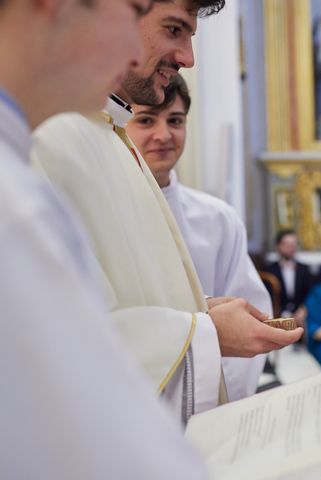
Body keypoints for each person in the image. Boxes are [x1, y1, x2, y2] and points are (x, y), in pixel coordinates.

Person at [32, 0, 303, 424]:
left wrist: (199, 315)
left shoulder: (108, 136)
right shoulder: (53, 137)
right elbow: (50, 340)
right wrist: (206, 334)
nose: (188, 58)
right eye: (174, 30)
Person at [0, 0, 208, 477]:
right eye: (134, 11)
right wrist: (208, 335)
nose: (188, 60)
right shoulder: (20, 193)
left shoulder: (98, 134)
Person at [126, 74, 269, 401]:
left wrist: (216, 406)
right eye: (146, 120)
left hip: (209, 403)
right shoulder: (100, 210)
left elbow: (250, 316)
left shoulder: (218, 219)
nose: (163, 135)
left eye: (175, 120)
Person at [266, 230, 314, 325]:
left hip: (301, 316)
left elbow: (311, 293)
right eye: (287, 244)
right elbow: (269, 296)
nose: (291, 247)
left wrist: (303, 310)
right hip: (277, 316)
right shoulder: (269, 271)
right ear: (278, 246)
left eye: (294, 244)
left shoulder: (304, 269)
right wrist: (281, 314)